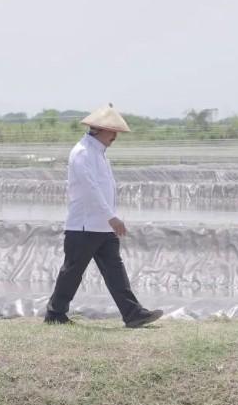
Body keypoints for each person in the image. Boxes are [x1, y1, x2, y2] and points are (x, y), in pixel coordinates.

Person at [44, 104, 163, 328]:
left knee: (115, 272)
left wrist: (111, 218)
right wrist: (112, 217)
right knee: (72, 272)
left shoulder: (100, 154)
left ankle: (133, 313)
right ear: (98, 129)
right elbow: (91, 189)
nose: (115, 136)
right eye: (112, 131)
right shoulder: (82, 153)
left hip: (104, 228)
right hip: (84, 226)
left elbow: (105, 190)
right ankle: (55, 313)